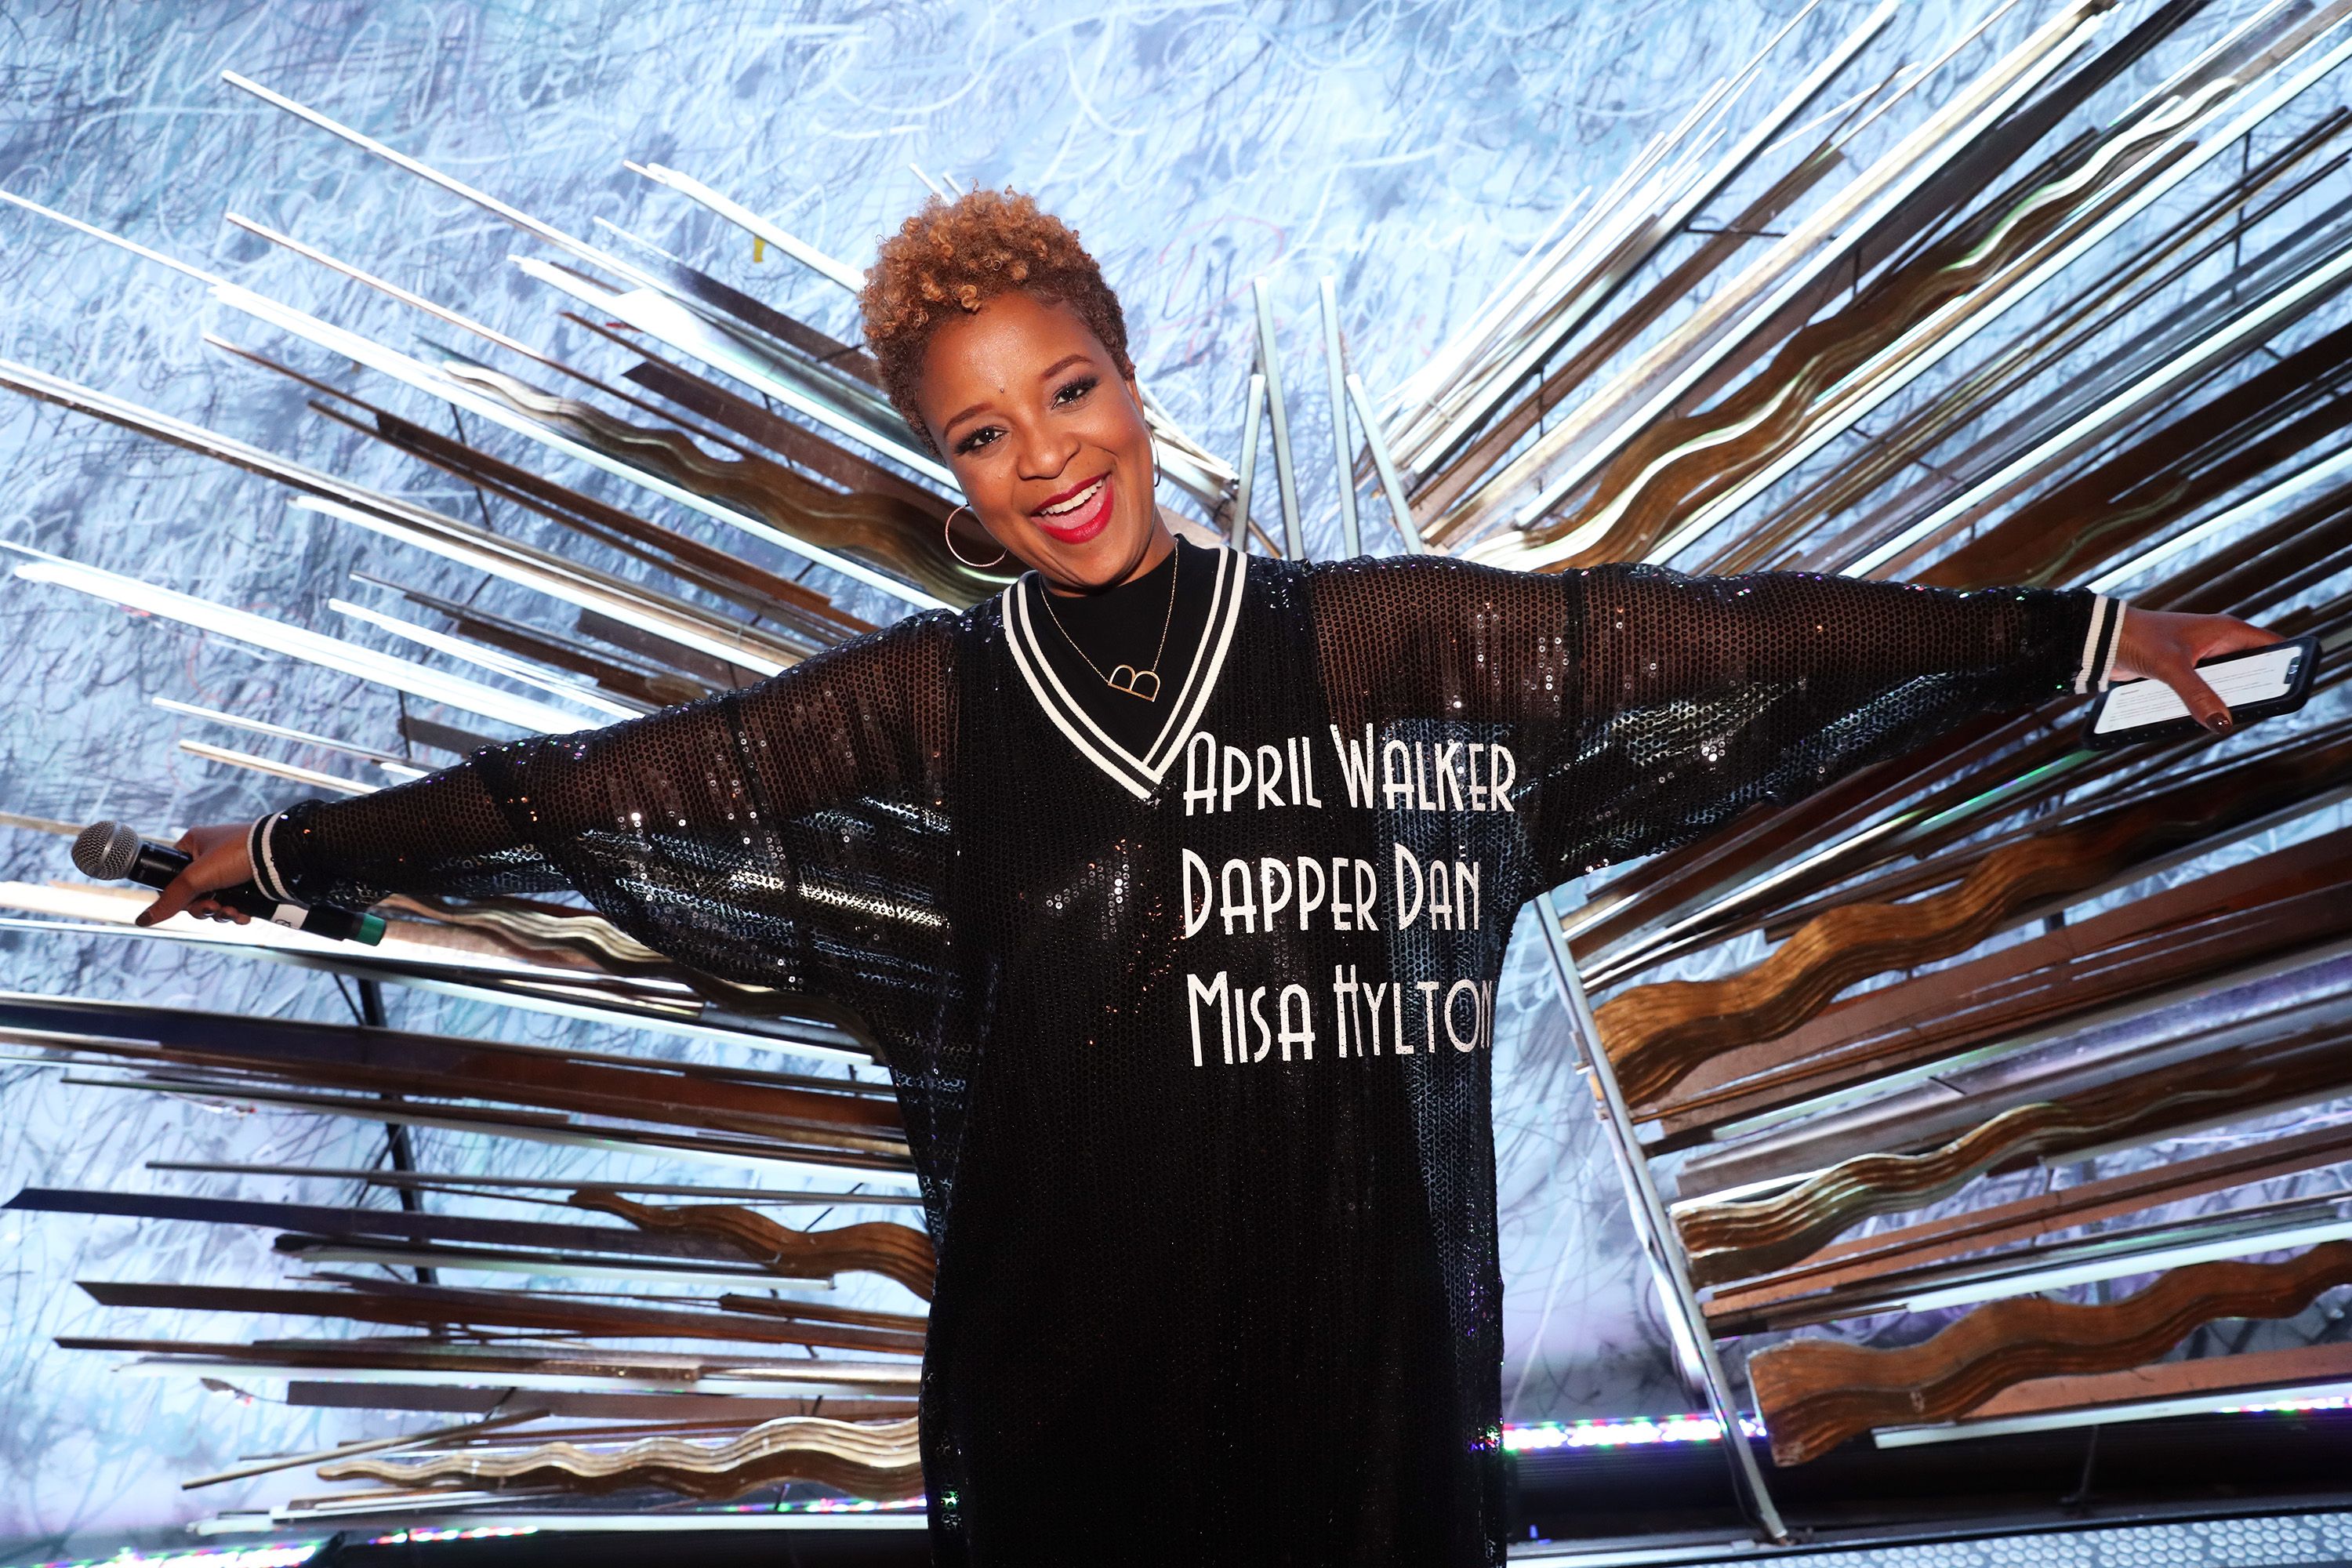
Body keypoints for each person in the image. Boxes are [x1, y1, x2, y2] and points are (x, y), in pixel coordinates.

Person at [143, 189, 2276, 1565]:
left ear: (1132, 383)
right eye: (984, 434)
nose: (1049, 458)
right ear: (945, 476)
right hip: (1076, 1390)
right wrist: (296, 853)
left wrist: (2064, 640)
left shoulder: (1373, 646)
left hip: (1352, 1384)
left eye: (1069, 393)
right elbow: (618, 789)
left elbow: (1687, 637)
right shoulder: (938, 704)